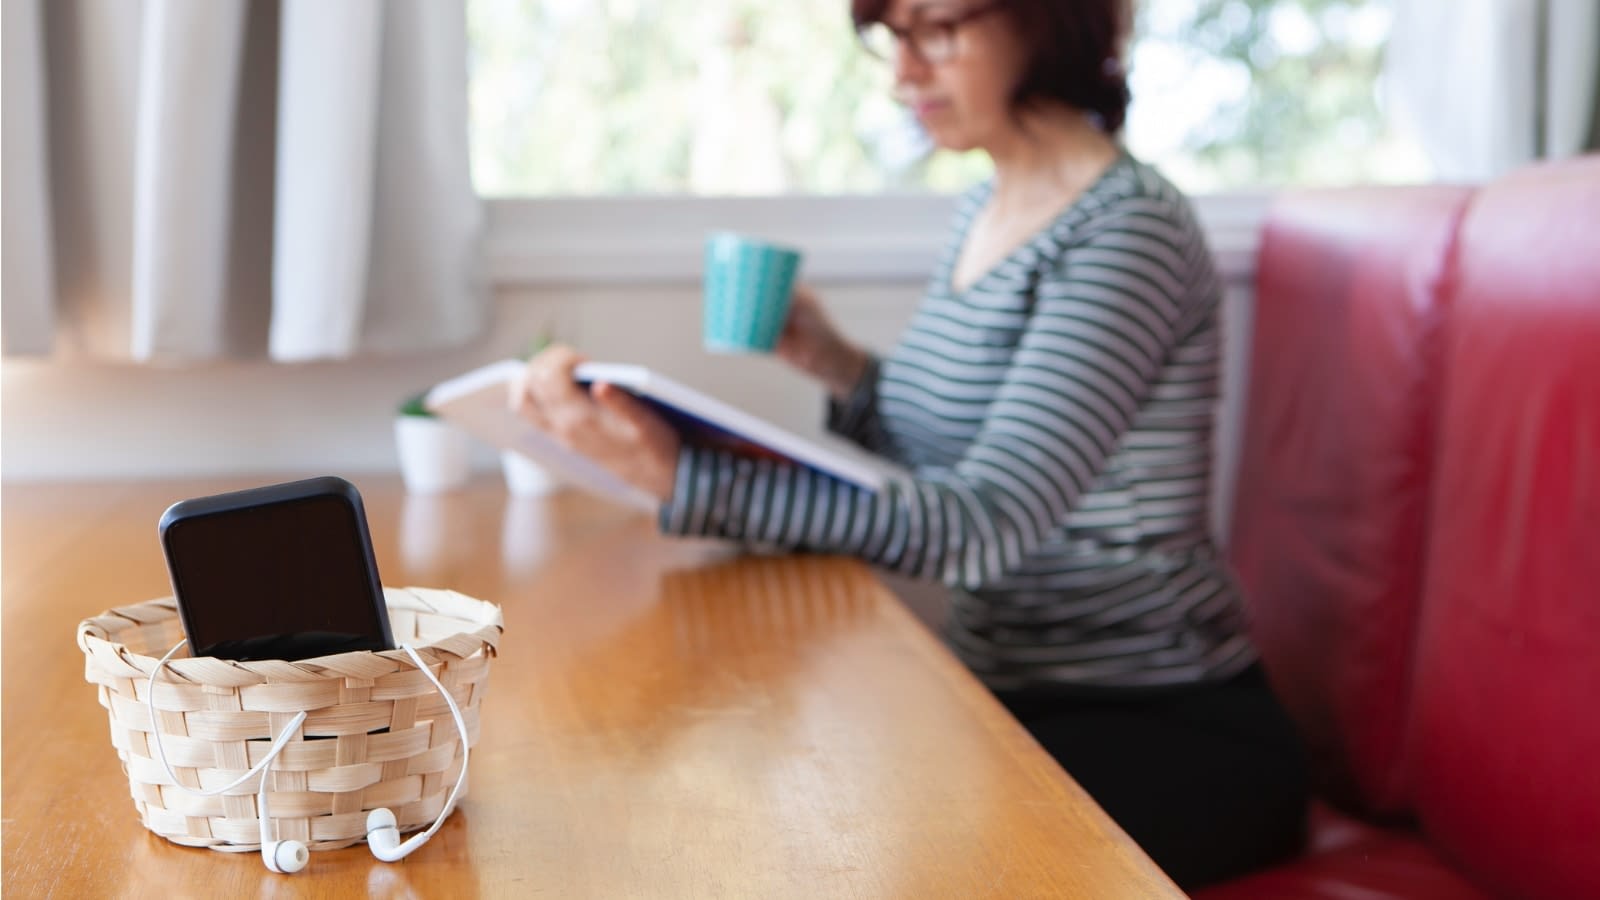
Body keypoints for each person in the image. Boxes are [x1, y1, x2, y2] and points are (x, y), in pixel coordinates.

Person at [512, 0, 1308, 888]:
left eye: (937, 28)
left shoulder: (1128, 230)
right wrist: (836, 363)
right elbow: (948, 457)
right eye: (893, 38)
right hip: (1007, 687)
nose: (902, 75)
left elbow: (980, 524)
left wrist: (688, 479)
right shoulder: (989, 205)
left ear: (1046, 20)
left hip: (1161, 717)